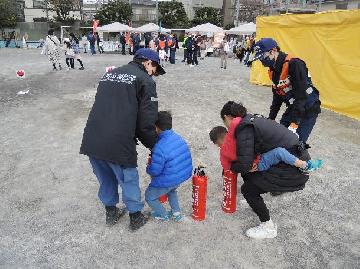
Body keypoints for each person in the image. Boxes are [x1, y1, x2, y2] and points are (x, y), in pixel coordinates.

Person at [80, 49, 166, 231]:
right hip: (118, 140)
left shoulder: (110, 74)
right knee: (128, 178)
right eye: (155, 68)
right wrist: (155, 145)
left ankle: (111, 212)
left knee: (105, 176)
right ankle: (135, 217)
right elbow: (146, 121)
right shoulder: (145, 80)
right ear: (148, 63)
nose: (154, 74)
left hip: (93, 137)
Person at [218, 101, 312, 239]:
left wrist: (230, 167)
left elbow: (245, 165)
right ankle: (256, 200)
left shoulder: (244, 128)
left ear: (227, 117)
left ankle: (268, 227)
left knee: (248, 190)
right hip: (293, 158)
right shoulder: (250, 120)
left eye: (224, 121)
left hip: (293, 167)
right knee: (250, 177)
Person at [252, 38, 321, 144]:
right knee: (279, 137)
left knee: (295, 144)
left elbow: (301, 96)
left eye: (263, 57)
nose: (262, 61)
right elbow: (277, 98)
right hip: (294, 107)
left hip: (308, 106)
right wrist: (271, 119)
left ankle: (300, 157)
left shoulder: (294, 64)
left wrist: (294, 124)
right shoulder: (273, 71)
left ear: (273, 51)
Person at [209, 125, 323, 172]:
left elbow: (227, 167)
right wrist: (247, 168)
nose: (219, 146)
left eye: (218, 143)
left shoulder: (231, 144)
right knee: (279, 152)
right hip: (259, 163)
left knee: (278, 146)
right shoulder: (233, 142)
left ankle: (297, 163)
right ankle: (305, 166)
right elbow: (227, 167)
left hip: (258, 159)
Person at [145, 111, 192, 221]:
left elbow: (155, 171)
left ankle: (162, 214)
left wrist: (148, 167)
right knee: (171, 191)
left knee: (149, 196)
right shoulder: (178, 138)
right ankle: (176, 213)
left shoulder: (159, 147)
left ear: (157, 128)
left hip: (168, 179)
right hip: (180, 177)